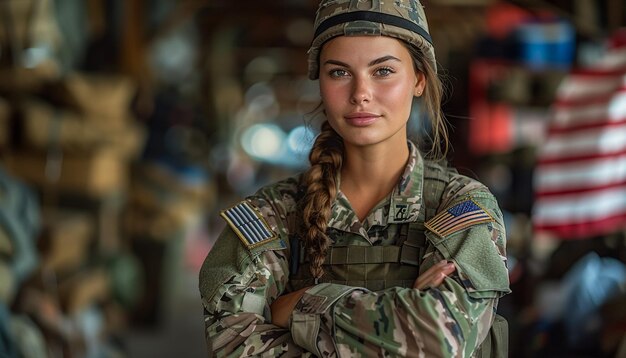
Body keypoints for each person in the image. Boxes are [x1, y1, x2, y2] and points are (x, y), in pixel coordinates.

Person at [199, 0, 511, 356]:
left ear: (419, 80)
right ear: (321, 84)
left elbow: (438, 338)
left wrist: (301, 303)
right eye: (339, 72)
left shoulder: (460, 207)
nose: (361, 93)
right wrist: (400, 316)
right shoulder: (269, 216)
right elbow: (232, 343)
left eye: (383, 71)